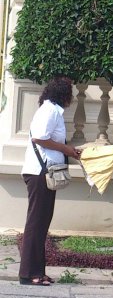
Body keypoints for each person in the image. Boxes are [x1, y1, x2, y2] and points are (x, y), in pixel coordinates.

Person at [19, 76, 81, 286]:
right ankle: (28, 274)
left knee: (41, 223)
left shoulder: (51, 110)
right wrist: (67, 150)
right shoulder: (50, 111)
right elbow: (39, 138)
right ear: (63, 94)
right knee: (36, 223)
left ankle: (37, 271)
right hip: (40, 173)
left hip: (44, 172)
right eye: (69, 94)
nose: (70, 98)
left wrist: (69, 150)